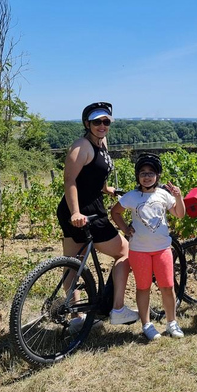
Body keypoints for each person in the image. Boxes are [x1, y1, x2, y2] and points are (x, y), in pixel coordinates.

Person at [56, 102, 139, 331]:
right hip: (83, 212)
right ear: (87, 124)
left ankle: (76, 318)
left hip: (86, 209)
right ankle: (118, 309)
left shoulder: (101, 144)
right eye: (97, 122)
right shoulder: (81, 146)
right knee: (125, 252)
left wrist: (106, 189)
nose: (102, 125)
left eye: (106, 121)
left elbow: (93, 174)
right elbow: (70, 181)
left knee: (73, 263)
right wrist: (76, 212)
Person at [110, 153, 186, 340]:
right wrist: (125, 229)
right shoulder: (131, 196)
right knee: (143, 287)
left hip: (162, 249)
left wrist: (179, 196)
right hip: (139, 251)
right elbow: (115, 212)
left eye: (151, 173)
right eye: (142, 173)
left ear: (157, 176)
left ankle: (171, 322)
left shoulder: (164, 195)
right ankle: (147, 324)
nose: (146, 176)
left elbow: (179, 214)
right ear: (137, 176)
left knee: (167, 286)